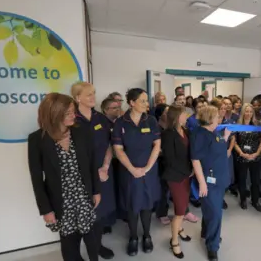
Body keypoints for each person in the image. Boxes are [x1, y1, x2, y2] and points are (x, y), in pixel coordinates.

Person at [27, 93, 101, 261]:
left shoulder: (81, 132)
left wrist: (96, 191)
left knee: (91, 239)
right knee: (69, 244)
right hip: (62, 201)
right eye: (68, 113)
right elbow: (36, 179)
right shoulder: (37, 140)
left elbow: (92, 165)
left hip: (83, 197)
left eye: (73, 111)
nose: (73, 116)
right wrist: (46, 209)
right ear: (54, 113)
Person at [112, 88, 161, 256]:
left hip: (149, 170)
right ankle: (133, 237)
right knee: (132, 205)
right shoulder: (120, 122)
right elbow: (118, 150)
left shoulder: (151, 121)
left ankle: (147, 235)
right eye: (143, 101)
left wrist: (146, 168)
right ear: (132, 103)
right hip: (129, 171)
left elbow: (157, 146)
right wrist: (133, 169)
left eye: (147, 101)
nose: (147, 104)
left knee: (147, 204)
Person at [71, 82, 115, 259]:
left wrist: (104, 167)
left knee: (100, 213)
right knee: (85, 214)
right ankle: (85, 248)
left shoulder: (100, 118)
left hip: (102, 175)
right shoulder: (71, 121)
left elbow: (110, 145)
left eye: (93, 93)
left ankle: (97, 246)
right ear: (77, 98)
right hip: (82, 177)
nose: (93, 97)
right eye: (88, 94)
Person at [191, 105, 231, 261]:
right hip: (209, 180)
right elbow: (195, 160)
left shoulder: (214, 132)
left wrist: (226, 136)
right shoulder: (199, 134)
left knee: (210, 208)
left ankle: (205, 232)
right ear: (210, 118)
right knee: (215, 213)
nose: (219, 118)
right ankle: (212, 246)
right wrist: (202, 183)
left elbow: (218, 148)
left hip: (220, 179)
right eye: (217, 116)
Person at [162, 105, 193, 259]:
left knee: (183, 205)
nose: (186, 116)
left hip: (186, 174)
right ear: (176, 117)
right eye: (183, 114)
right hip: (175, 176)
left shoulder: (185, 131)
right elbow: (170, 159)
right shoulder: (168, 134)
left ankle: (179, 229)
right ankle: (174, 241)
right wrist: (189, 171)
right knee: (180, 211)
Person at [233, 103, 261, 212]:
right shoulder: (237, 125)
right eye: (246, 111)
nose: (248, 114)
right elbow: (234, 142)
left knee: (255, 181)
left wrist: (256, 153)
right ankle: (243, 199)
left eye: (250, 111)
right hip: (242, 157)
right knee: (242, 180)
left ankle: (255, 201)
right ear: (243, 112)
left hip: (255, 157)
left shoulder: (258, 125)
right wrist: (242, 153)